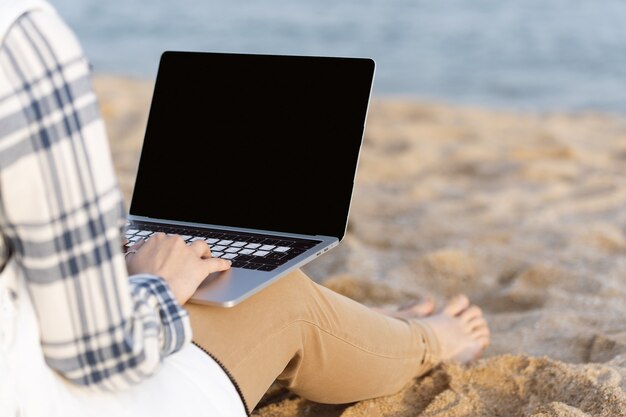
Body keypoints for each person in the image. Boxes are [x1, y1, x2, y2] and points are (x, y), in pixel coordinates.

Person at [0, 1, 490, 416]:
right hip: (58, 395)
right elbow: (102, 356)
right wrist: (157, 286)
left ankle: (362, 324)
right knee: (281, 298)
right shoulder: (19, 41)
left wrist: (115, 272)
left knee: (204, 273)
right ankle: (434, 341)